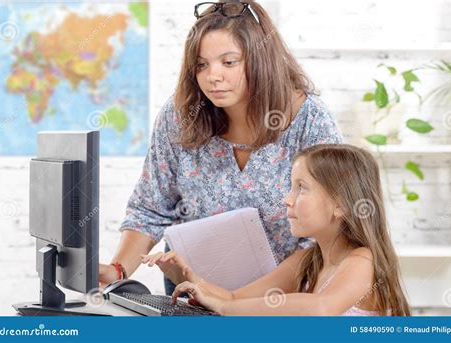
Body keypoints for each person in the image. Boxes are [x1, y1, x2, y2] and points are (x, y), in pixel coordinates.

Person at [99, 1, 342, 294]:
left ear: (260, 59)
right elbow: (150, 208)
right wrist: (117, 271)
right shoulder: (180, 116)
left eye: (229, 62)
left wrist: (232, 301)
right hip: (191, 294)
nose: (213, 76)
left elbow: (322, 236)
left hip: (280, 298)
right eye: (201, 65)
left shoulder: (310, 121)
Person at [142, 144, 411, 316]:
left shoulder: (363, 260)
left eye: (301, 188)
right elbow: (236, 297)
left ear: (340, 205)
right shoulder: (309, 260)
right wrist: (187, 277)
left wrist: (224, 307)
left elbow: (321, 309)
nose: (287, 198)